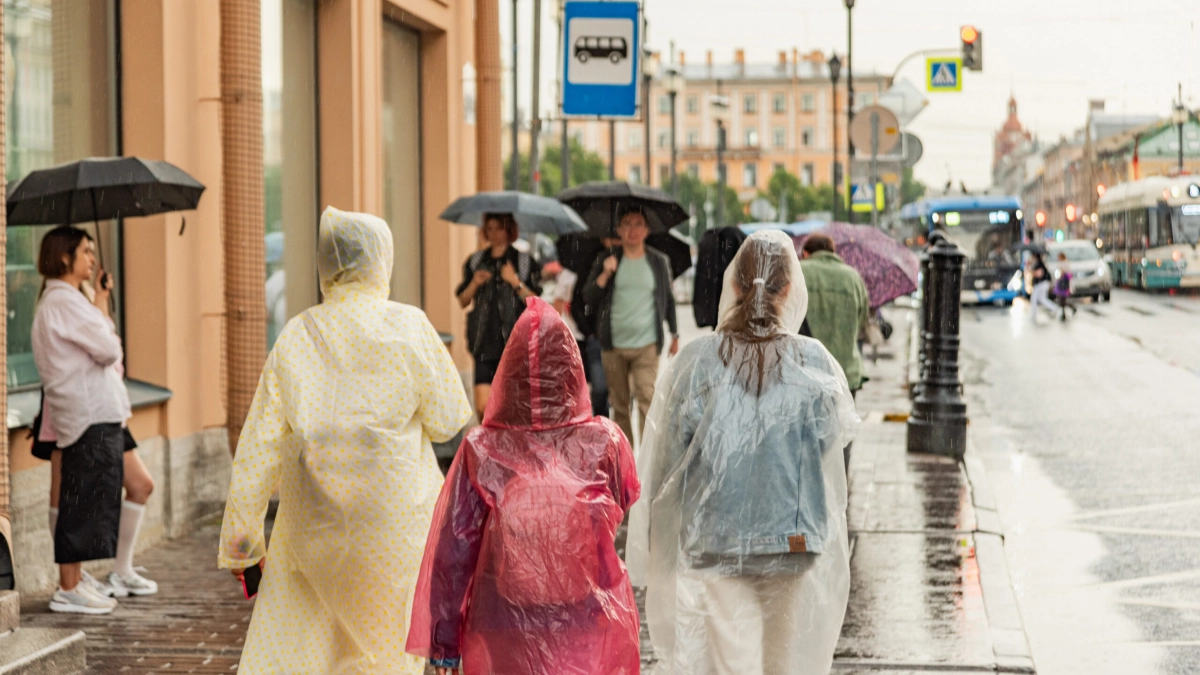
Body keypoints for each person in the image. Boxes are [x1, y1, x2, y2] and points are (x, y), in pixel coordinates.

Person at [219, 207, 473, 674]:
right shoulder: (411, 326)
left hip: (313, 527)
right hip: (396, 525)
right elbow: (447, 420)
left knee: (311, 645)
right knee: (390, 647)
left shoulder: (297, 334)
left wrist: (243, 545)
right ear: (384, 260)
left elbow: (257, 451)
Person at [627, 231, 859, 675]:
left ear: (734, 285)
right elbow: (832, 448)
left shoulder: (696, 362)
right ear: (790, 288)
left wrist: (657, 544)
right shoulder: (815, 364)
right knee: (781, 663)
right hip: (792, 542)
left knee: (732, 663)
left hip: (717, 539)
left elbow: (666, 467)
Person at [407, 297, 641, 675]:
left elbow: (454, 553)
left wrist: (443, 644)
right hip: (583, 613)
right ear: (571, 371)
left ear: (507, 374)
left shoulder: (482, 450)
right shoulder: (604, 442)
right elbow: (624, 498)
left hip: (502, 619)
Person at [31, 226, 130, 614]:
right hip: (87, 414)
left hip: (89, 413)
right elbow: (107, 348)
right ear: (63, 257)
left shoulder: (67, 300)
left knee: (88, 497)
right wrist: (102, 320)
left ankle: (73, 582)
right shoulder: (63, 302)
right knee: (82, 500)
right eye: (84, 252)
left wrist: (98, 302)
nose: (92, 258)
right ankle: (68, 588)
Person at [583, 208, 679, 445]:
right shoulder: (607, 259)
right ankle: (627, 465)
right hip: (613, 344)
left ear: (647, 230)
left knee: (647, 400)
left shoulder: (658, 261)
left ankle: (647, 462)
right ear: (618, 230)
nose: (632, 230)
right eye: (626, 224)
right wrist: (605, 273)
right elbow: (588, 297)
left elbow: (668, 300)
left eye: (638, 224)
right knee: (620, 406)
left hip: (647, 344)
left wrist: (674, 333)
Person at [456, 213, 541, 418]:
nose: (494, 233)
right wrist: (475, 283)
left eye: (499, 228)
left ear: (509, 230)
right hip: (483, 342)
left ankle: (510, 448)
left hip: (515, 343)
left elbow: (536, 302)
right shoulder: (476, 261)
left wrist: (514, 281)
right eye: (490, 228)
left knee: (515, 408)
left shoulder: (522, 261)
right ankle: (489, 448)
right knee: (483, 408)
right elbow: (463, 300)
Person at [799, 234, 870, 397]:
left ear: (806, 253)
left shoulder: (799, 271)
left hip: (807, 371)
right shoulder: (853, 277)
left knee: (812, 422)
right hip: (846, 371)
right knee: (843, 421)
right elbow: (862, 318)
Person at [551, 265, 609, 417]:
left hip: (598, 336)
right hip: (574, 338)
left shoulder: (602, 267)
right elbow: (557, 306)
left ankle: (599, 422)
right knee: (578, 388)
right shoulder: (569, 274)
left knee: (600, 388)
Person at [1029, 252, 1057, 322]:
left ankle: (1034, 313)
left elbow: (1040, 274)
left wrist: (1032, 272)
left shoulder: (1039, 264)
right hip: (1041, 283)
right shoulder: (1037, 263)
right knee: (1042, 299)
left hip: (1041, 283)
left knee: (1034, 298)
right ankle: (1054, 308)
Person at [1053, 252, 1077, 321]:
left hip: (1064, 283)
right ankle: (1064, 313)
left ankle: (1071, 308)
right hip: (1061, 282)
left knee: (1063, 299)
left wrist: (1062, 272)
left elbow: (1066, 273)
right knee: (1062, 300)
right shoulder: (1061, 263)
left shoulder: (1065, 263)